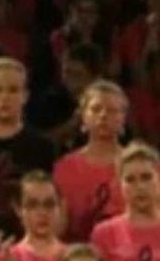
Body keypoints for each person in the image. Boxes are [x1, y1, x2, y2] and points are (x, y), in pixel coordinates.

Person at [52, 80, 127, 243]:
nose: (103, 116)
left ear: (124, 118)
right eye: (96, 109)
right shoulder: (64, 168)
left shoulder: (136, 164)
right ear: (82, 117)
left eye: (112, 110)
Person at [0, 58, 58, 241]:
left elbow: (50, 203)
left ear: (25, 95)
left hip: (27, 246)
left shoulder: (42, 146)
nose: (4, 97)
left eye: (13, 90)